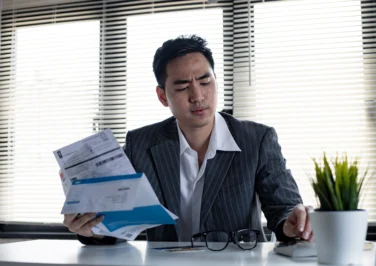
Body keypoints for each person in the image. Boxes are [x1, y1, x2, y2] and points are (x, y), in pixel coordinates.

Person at [63, 35, 313, 245]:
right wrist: (91, 229)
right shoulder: (141, 143)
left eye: (205, 81)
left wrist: (294, 223)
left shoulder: (257, 139)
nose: (198, 96)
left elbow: (284, 207)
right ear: (163, 96)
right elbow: (119, 223)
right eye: (183, 87)